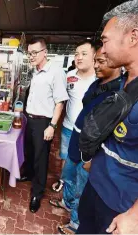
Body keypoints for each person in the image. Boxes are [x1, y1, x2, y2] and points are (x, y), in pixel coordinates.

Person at [76, 1, 138, 234]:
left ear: (133, 37)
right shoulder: (124, 83)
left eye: (105, 41)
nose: (101, 50)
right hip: (96, 188)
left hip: (121, 207)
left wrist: (135, 215)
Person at [50, 45, 122, 234]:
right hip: (74, 136)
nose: (97, 65)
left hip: (89, 150)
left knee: (82, 186)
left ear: (115, 63)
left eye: (101, 61)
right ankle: (67, 202)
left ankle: (75, 223)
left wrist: (90, 156)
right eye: (96, 61)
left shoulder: (119, 92)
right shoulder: (96, 84)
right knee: (68, 175)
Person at [18, 37, 69, 213]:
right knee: (30, 151)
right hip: (30, 118)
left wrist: (52, 126)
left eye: (34, 53)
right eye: (29, 53)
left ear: (44, 52)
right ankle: (28, 174)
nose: (31, 56)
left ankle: (37, 194)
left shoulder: (56, 72)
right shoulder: (35, 71)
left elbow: (60, 102)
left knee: (41, 158)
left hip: (43, 122)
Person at [52, 40, 96, 193]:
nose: (79, 57)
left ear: (94, 56)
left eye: (84, 54)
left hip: (89, 134)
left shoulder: (99, 79)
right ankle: (63, 183)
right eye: (76, 54)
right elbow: (60, 99)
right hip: (68, 128)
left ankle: (77, 193)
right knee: (65, 157)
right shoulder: (69, 76)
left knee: (84, 164)